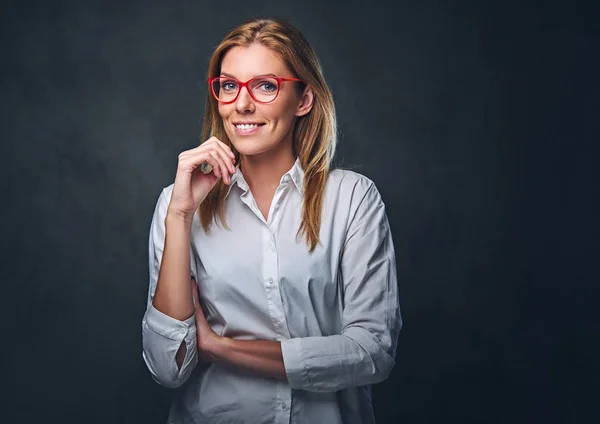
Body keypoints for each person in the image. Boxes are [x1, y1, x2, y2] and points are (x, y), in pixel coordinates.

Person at [141, 17, 402, 424]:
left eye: (265, 86)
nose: (242, 104)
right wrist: (179, 215)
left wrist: (220, 347)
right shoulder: (177, 205)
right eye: (229, 86)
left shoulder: (352, 198)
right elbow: (167, 368)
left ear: (303, 100)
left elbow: (373, 351)